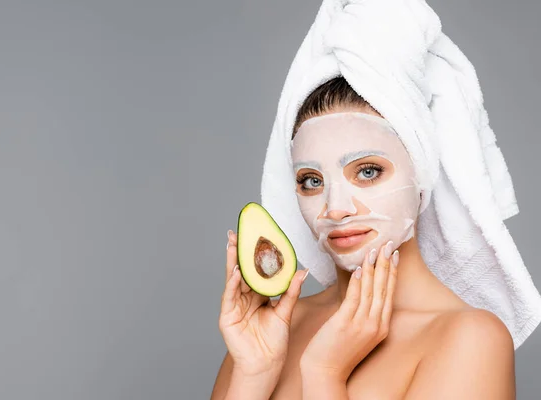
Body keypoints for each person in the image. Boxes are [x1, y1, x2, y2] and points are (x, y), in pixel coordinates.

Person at [210, 77, 516, 399]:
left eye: (368, 171)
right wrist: (253, 374)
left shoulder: (471, 339)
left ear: (421, 175)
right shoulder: (272, 329)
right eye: (312, 181)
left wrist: (324, 374)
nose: (335, 209)